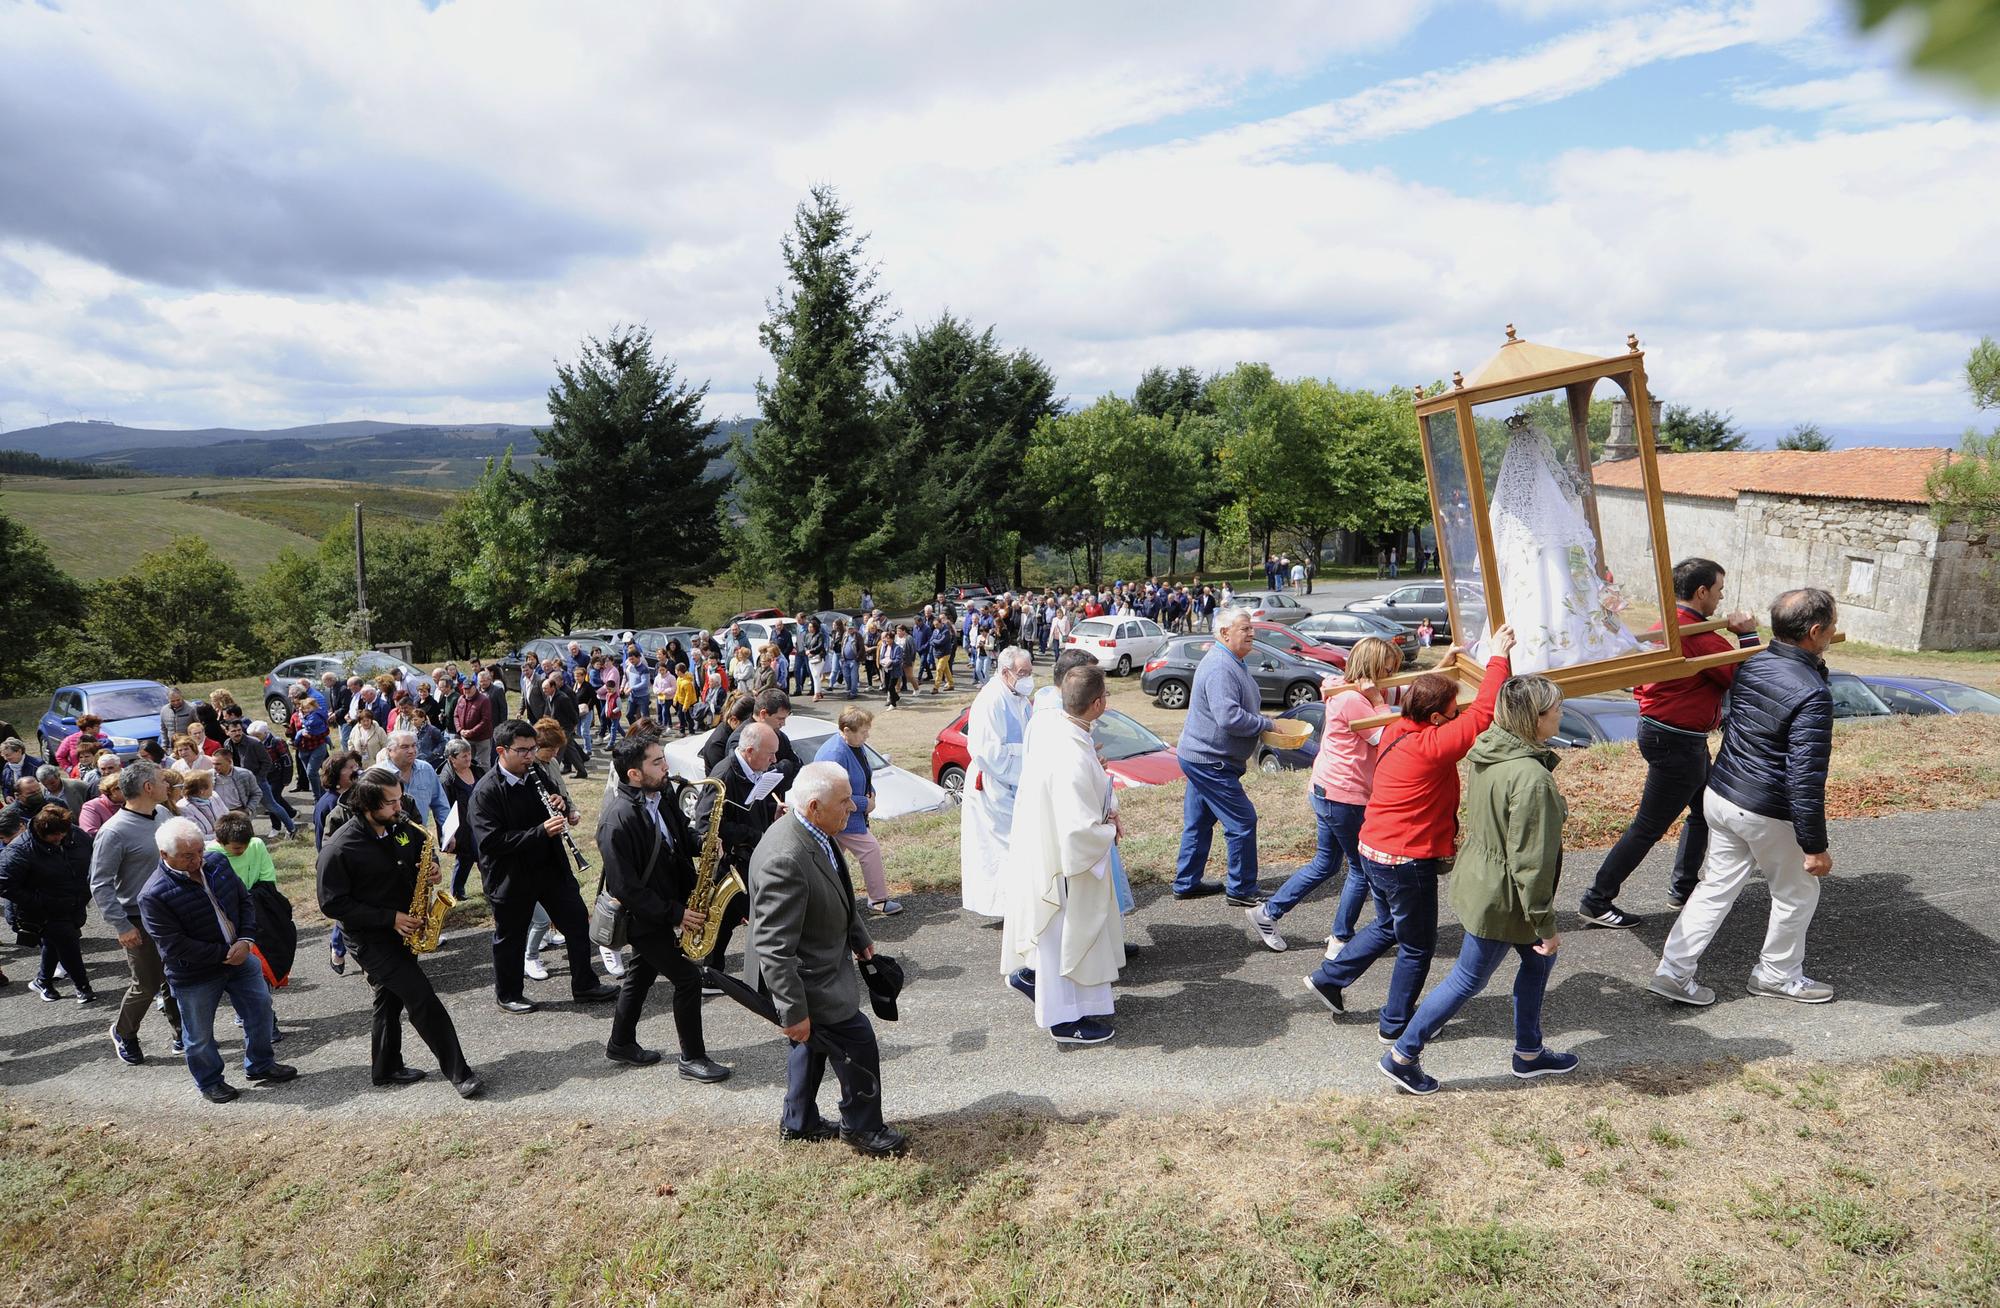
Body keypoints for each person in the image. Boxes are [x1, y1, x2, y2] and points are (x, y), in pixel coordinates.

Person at [1303, 627, 1517, 1041]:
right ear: (1437, 718)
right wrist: (1498, 656)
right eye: (1453, 712)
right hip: (1404, 860)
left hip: (1373, 848)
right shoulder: (1433, 744)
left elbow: (1433, 698)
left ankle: (1330, 977)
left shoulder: (1401, 727)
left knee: (1388, 926)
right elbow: (1485, 712)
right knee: (1417, 946)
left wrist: (1447, 663)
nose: (1458, 716)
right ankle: (1396, 1023)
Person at [1380, 675, 1579, 1094]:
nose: (1561, 713)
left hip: (1483, 879)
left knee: (1538, 962)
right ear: (1535, 718)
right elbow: (1531, 863)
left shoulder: (1492, 751)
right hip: (1504, 898)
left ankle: (1529, 1052)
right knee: (1467, 979)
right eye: (1555, 708)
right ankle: (1402, 1056)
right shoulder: (1531, 779)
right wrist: (1545, 924)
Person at [1652, 589, 1839, 1008]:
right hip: (1765, 808)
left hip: (1722, 793)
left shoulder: (1754, 663)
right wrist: (1815, 846)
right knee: (1797, 892)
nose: (1834, 631)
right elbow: (1805, 776)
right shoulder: (1812, 694)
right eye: (1831, 625)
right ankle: (1777, 974)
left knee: (1715, 886)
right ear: (1814, 632)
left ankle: (1673, 971)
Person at [1579, 558, 1761, 928]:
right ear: (1702, 592)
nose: (1721, 600)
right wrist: (1747, 634)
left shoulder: (1664, 626)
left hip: (1666, 733)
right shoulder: (1699, 637)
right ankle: (1597, 899)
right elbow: (1750, 678)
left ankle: (1685, 887)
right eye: (1720, 591)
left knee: (1703, 811)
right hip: (1678, 742)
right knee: (1648, 826)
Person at [745, 762, 904, 1156]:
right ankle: (862, 1128)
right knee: (857, 1039)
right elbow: (773, 946)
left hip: (821, 965)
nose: (853, 806)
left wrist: (859, 937)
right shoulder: (785, 857)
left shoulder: (816, 830)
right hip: (807, 980)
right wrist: (793, 1011)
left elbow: (835, 888)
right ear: (814, 805)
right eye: (844, 801)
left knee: (812, 1045)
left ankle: (798, 1123)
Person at [318, 770, 483, 1097]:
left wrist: (432, 867)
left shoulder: (402, 826)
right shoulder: (340, 847)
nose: (400, 806)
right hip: (370, 938)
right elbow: (332, 904)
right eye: (391, 802)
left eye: (399, 798)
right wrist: (390, 918)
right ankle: (459, 1073)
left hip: (406, 927)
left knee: (389, 998)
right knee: (421, 997)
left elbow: (420, 850)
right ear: (367, 806)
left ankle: (385, 1067)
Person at [1248, 637, 1402, 952]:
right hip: (1344, 796)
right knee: (1361, 869)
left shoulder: (1354, 690)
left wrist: (1444, 666)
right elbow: (1385, 737)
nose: (1391, 677)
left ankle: (1268, 912)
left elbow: (1409, 690)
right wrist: (1378, 699)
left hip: (1327, 789)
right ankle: (1341, 938)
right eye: (1387, 670)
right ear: (1371, 669)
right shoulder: (1353, 700)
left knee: (1326, 864)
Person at [597, 734, 731, 1081]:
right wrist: (676, 914)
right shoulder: (617, 820)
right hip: (643, 916)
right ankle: (692, 1057)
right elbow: (624, 887)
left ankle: (620, 1043)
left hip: (667, 905)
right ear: (634, 774)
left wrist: (704, 843)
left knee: (640, 976)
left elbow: (678, 836)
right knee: (687, 979)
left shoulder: (662, 793)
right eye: (656, 763)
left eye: (663, 759)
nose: (665, 767)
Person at [1004, 665, 1125, 1045]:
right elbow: (1078, 831)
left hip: (1045, 851)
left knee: (1060, 942)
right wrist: (1108, 828)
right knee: (1064, 939)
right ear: (1098, 703)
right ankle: (1064, 1020)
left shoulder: (1060, 728)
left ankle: (1066, 995)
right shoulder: (1070, 754)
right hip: (1062, 867)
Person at [137, 817, 296, 1103]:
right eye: (187, 855)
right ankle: (210, 1081)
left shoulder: (217, 863)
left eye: (199, 850)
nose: (197, 859)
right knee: (198, 1035)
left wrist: (246, 941)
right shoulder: (153, 895)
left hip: (242, 957)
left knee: (260, 1012)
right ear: (164, 855)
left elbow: (245, 902)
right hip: (194, 974)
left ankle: (260, 1065)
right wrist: (226, 954)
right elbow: (174, 945)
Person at [470, 719, 618, 1013]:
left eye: (532, 749)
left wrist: (559, 802)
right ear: (501, 751)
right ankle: (509, 994)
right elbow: (491, 842)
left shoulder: (535, 772)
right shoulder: (486, 792)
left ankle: (585, 984)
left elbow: (555, 802)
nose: (530, 756)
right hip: (510, 876)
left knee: (577, 923)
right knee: (511, 937)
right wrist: (541, 830)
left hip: (550, 868)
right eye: (523, 750)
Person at [1172, 606, 1277, 906]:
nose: (1252, 633)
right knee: (1243, 821)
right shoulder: (1221, 665)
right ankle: (1242, 889)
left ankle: (1186, 882)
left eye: (1251, 628)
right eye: (1245, 628)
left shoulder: (1231, 660)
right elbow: (1229, 718)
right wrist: (1266, 724)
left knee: (1199, 821)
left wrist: (1260, 718)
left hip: (1200, 755)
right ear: (1224, 633)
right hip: (1210, 760)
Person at [87, 760, 183, 1064]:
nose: (167, 784)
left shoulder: (164, 814)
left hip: (172, 912)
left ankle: (181, 1033)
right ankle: (124, 1032)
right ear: (147, 787)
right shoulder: (113, 832)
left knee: (177, 976)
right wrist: (121, 926)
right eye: (161, 780)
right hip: (137, 919)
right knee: (147, 984)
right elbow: (99, 884)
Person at [694, 722, 782, 973]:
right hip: (733, 863)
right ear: (751, 751)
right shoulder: (725, 775)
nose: (774, 759)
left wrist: (770, 811)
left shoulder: (753, 768)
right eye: (770, 753)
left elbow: (748, 807)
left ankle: (722, 970)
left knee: (744, 917)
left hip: (750, 857)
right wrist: (754, 833)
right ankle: (712, 972)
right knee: (725, 920)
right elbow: (705, 824)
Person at [959, 647, 1034, 918]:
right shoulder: (991, 700)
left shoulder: (1019, 696)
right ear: (1005, 673)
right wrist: (1024, 764)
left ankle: (1019, 904)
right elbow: (986, 752)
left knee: (1017, 846)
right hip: (993, 785)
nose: (1027, 678)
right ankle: (1009, 908)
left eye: (1029, 672)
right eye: (1022, 673)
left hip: (1014, 783)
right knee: (1002, 849)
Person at [0, 804, 96, 1003]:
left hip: (74, 900)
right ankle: (83, 987)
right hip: (45, 909)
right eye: (54, 836)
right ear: (40, 831)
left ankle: (43, 980)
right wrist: (38, 901)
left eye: (63, 833)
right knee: (68, 941)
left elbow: (91, 857)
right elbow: (4, 883)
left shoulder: (76, 836)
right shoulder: (20, 850)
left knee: (55, 943)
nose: (60, 838)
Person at [812, 708, 899, 915]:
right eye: (863, 732)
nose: (867, 735)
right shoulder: (835, 753)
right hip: (841, 816)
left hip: (847, 814)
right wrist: (864, 803)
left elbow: (862, 776)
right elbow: (830, 792)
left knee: (831, 861)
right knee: (870, 850)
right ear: (846, 730)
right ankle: (878, 901)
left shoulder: (853, 745)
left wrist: (871, 796)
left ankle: (827, 903)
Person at [209, 810, 296, 1013]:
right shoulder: (210, 855)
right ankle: (255, 1014)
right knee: (246, 970)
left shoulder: (256, 845)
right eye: (237, 848)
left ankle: (257, 1013)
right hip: (230, 922)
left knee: (264, 966)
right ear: (220, 841)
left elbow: (268, 880)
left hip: (259, 915)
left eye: (246, 845)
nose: (243, 850)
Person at [439, 737, 484, 899]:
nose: (468, 758)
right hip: (462, 826)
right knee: (469, 856)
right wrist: (449, 835)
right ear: (452, 759)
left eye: (469, 754)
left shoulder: (477, 770)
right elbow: (443, 808)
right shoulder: (446, 780)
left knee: (480, 854)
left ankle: (490, 885)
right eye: (464, 756)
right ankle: (458, 891)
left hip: (480, 821)